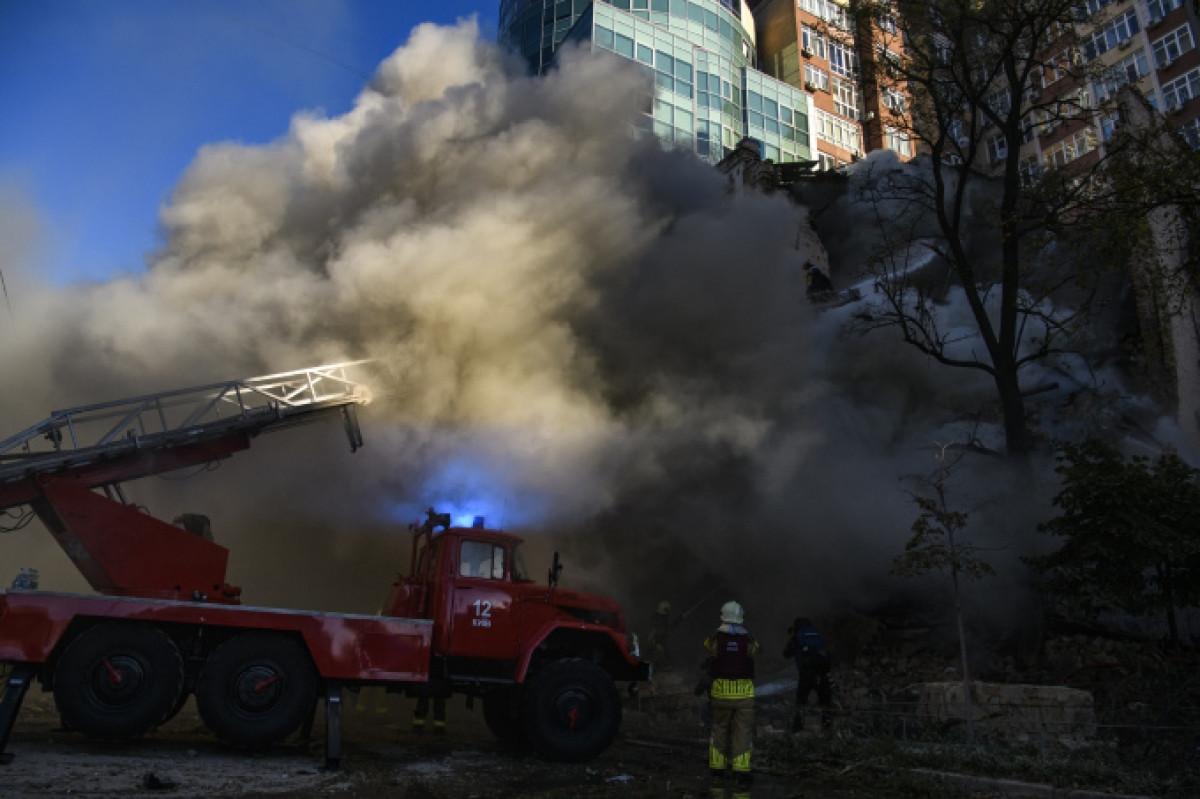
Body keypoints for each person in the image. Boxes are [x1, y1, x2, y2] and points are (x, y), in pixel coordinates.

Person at [701, 600, 758, 786]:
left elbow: (707, 646)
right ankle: (741, 771)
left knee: (720, 728)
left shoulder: (716, 637)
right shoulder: (747, 637)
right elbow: (755, 649)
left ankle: (717, 768)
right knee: (742, 732)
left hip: (720, 693)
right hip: (743, 694)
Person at [783, 616, 833, 732]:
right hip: (822, 674)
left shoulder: (798, 636)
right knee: (825, 701)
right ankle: (828, 727)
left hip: (807, 673)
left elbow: (786, 654)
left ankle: (797, 726)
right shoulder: (817, 635)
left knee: (801, 701)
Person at [645, 600, 674, 669]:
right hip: (656, 639)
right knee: (653, 649)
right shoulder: (658, 620)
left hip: (660, 639)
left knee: (661, 649)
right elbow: (655, 630)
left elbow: (664, 630)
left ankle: (665, 665)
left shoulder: (664, 621)